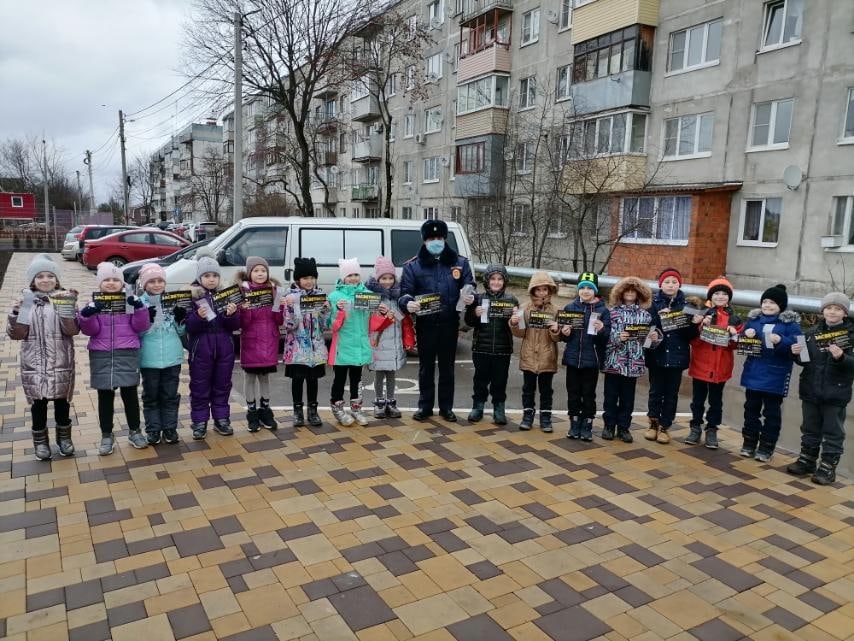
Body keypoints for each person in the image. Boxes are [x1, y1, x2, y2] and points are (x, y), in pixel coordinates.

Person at [399, 219, 475, 422]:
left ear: (444, 239)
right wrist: (408, 303)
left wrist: (470, 296)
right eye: (431, 238)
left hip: (450, 324)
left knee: (447, 368)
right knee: (426, 368)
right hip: (426, 325)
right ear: (424, 241)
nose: (436, 241)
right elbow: (405, 292)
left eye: (439, 238)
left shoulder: (459, 262)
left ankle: (446, 408)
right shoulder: (413, 266)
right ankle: (424, 406)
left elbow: (470, 285)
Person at [8, 254, 79, 460]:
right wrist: (15, 313)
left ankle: (64, 439)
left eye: (50, 275)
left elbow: (72, 330)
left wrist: (67, 307)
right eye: (40, 276)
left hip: (61, 363)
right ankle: (40, 442)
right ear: (32, 280)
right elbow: (17, 334)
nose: (46, 280)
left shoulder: (64, 299)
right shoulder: (26, 302)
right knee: (38, 405)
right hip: (34, 365)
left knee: (62, 403)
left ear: (57, 279)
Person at [79, 262, 151, 455]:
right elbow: (91, 331)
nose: (111, 283)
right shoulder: (93, 302)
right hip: (101, 354)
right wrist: (87, 315)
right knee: (105, 396)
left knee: (130, 395)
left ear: (122, 283)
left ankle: (135, 431)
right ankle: (106, 435)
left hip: (126, 353)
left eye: (115, 280)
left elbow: (140, 327)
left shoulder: (129, 300)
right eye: (106, 280)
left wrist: (139, 308)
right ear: (99, 283)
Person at [788, 292, 853, 484]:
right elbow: (804, 361)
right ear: (822, 311)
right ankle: (807, 460)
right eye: (829, 308)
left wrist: (842, 357)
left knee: (833, 431)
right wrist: (796, 354)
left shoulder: (850, 337)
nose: (832, 312)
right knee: (809, 427)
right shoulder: (810, 333)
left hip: (836, 392)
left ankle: (827, 467)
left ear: (845, 313)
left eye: (838, 309)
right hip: (810, 389)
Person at [739, 284, 801, 462]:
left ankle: (766, 447)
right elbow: (743, 346)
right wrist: (746, 335)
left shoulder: (790, 325)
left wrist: (781, 341)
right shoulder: (753, 321)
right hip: (753, 373)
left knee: (772, 414)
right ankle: (749, 443)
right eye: (764, 302)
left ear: (781, 305)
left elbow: (801, 350)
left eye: (772, 302)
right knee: (750, 410)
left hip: (777, 376)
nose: (767, 305)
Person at [185, 256, 240, 439]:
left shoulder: (226, 295)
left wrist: (230, 315)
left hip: (224, 348)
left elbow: (234, 325)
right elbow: (188, 327)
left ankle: (221, 419)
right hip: (201, 350)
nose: (211, 279)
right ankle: (199, 422)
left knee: (222, 386)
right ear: (199, 278)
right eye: (207, 275)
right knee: (200, 386)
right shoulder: (193, 297)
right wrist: (198, 317)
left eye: (214, 275)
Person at [685, 277, 742, 449]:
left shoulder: (734, 319)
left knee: (716, 402)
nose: (720, 296)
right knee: (697, 400)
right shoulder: (701, 313)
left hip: (721, 367)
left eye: (724, 294)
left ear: (729, 298)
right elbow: (693, 341)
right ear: (711, 296)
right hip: (701, 364)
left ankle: (712, 429)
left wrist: (733, 334)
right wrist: (700, 326)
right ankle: (695, 427)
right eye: (716, 293)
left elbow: (736, 345)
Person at [601, 276, 656, 444]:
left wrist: (652, 338)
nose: (630, 293)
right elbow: (604, 339)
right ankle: (609, 425)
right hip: (614, 362)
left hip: (634, 364)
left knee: (628, 398)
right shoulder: (611, 313)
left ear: (639, 294)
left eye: (634, 291)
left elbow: (647, 344)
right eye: (627, 291)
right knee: (610, 396)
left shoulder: (645, 316)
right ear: (621, 293)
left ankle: (624, 427)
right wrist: (618, 337)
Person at [138, 264, 186, 445]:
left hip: (172, 357)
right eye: (152, 281)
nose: (157, 285)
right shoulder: (138, 303)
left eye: (160, 281)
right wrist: (145, 320)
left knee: (170, 395)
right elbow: (137, 334)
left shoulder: (172, 301)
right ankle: (153, 429)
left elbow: (180, 332)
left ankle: (170, 428)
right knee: (151, 396)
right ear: (144, 284)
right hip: (149, 359)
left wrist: (181, 319)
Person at [464, 264, 518, 425]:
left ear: (505, 281)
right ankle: (478, 407)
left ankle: (499, 408)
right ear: (487, 281)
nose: (496, 282)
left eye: (500, 279)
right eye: (493, 279)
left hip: (503, 350)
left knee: (500, 381)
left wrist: (515, 320)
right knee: (480, 380)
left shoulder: (511, 300)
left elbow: (517, 326)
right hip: (481, 348)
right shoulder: (479, 299)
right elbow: (468, 323)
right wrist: (474, 313)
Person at [645, 268, 694, 444]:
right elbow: (647, 328)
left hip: (677, 357)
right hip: (656, 356)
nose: (671, 285)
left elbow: (690, 336)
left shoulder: (687, 306)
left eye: (674, 282)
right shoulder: (652, 303)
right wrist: (657, 321)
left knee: (671, 393)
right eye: (667, 282)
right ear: (661, 284)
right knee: (655, 391)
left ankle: (665, 426)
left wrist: (693, 324)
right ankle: (653, 424)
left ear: (679, 284)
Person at [561, 272, 610, 441]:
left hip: (592, 360)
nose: (586, 291)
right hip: (573, 359)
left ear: (595, 290)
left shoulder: (603, 310)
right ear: (578, 290)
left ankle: (587, 425)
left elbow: (607, 338)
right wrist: (564, 332)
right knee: (573, 393)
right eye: (583, 288)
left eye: (590, 288)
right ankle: (574, 423)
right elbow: (564, 336)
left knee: (589, 394)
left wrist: (602, 329)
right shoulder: (570, 308)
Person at [237, 256, 284, 432]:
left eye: (263, 270)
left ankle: (265, 411)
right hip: (251, 340)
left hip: (269, 341)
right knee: (249, 378)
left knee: (265, 378)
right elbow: (242, 324)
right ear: (249, 273)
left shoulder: (274, 291)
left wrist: (280, 305)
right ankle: (251, 413)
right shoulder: (243, 291)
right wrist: (246, 310)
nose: (260, 274)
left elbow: (278, 320)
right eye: (256, 270)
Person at [510, 271, 561, 433]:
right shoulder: (524, 308)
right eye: (538, 290)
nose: (541, 293)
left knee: (546, 390)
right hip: (529, 356)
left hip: (547, 356)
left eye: (545, 289)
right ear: (532, 290)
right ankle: (528, 415)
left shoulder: (556, 310)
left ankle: (546, 418)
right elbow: (520, 333)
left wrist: (555, 330)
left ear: (550, 290)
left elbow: (558, 338)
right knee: (528, 388)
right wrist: (514, 323)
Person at [283, 257, 329, 427]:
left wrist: (325, 310)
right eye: (305, 278)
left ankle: (313, 410)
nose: (309, 282)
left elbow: (324, 326)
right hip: (296, 349)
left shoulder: (320, 295)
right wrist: (291, 308)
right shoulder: (290, 297)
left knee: (313, 380)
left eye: (312, 278)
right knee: (297, 380)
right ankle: (297, 411)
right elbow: (289, 325)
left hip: (315, 348)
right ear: (298, 280)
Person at [327, 258, 372, 426]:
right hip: (342, 346)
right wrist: (338, 311)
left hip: (360, 346)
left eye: (356, 275)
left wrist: (382, 313)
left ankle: (356, 408)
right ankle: (337, 408)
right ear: (343, 277)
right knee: (339, 379)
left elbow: (373, 322)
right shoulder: (334, 297)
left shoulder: (366, 294)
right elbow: (332, 326)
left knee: (357, 379)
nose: (353, 278)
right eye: (349, 275)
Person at [366, 256, 411, 419]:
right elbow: (368, 319)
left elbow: (402, 316)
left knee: (392, 374)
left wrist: (395, 315)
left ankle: (391, 402)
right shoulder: (372, 296)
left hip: (393, 343)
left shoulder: (397, 296)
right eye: (383, 278)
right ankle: (379, 402)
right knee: (379, 375)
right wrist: (380, 313)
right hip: (378, 342)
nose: (387, 281)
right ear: (378, 279)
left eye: (390, 278)